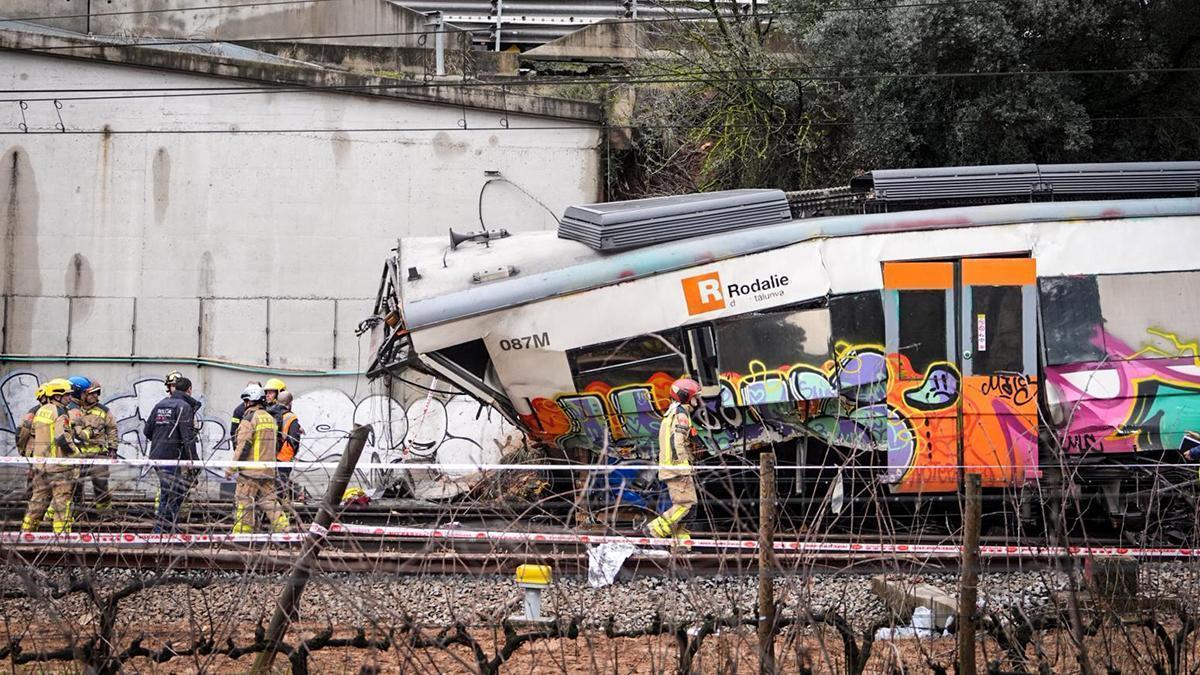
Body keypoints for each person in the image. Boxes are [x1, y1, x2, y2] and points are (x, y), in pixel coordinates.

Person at [646, 378, 703, 542]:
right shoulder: (681, 416)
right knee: (685, 505)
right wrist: (684, 466)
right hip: (676, 469)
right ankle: (654, 529)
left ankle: (681, 545)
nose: (697, 401)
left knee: (690, 508)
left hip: (673, 467)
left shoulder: (673, 413)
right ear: (685, 396)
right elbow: (676, 442)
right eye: (694, 396)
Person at [228, 384, 289, 533]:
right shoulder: (270, 419)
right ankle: (285, 532)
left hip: (250, 472)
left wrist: (232, 467)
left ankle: (242, 536)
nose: (244, 404)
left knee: (244, 503)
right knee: (270, 503)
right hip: (268, 470)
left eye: (246, 401)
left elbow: (243, 446)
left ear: (250, 401)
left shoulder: (249, 419)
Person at [21, 378, 79, 533]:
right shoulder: (61, 413)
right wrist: (77, 453)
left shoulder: (41, 411)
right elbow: (62, 438)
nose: (69, 398)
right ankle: (62, 540)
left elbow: (33, 435)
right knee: (62, 505)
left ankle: (26, 534)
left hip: (41, 466)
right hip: (59, 468)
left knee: (36, 504)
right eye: (66, 395)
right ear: (57, 396)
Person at [144, 376, 198, 534]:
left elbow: (147, 431)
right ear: (189, 390)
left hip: (157, 455)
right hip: (171, 457)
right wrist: (194, 461)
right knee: (171, 493)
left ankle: (168, 528)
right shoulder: (184, 407)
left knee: (173, 491)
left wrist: (161, 439)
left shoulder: (159, 405)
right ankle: (160, 531)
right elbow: (187, 438)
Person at [70, 380, 118, 512]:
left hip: (98, 455)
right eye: (92, 393)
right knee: (75, 485)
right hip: (77, 455)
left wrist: (113, 449)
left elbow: (112, 429)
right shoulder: (74, 409)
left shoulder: (103, 411)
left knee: (101, 484)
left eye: (97, 393)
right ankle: (77, 511)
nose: (96, 396)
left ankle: (104, 512)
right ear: (84, 394)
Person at [267, 389, 304, 502]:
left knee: (269, 484)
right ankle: (281, 509)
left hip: (268, 455)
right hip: (284, 456)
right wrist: (293, 453)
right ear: (290, 403)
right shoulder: (291, 417)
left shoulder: (268, 414)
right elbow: (294, 440)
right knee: (282, 486)